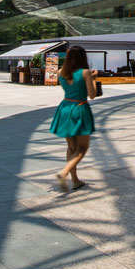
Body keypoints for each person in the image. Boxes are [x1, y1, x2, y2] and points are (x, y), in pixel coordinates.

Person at [49, 45, 97, 192]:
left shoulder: (60, 72)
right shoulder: (85, 73)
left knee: (71, 147)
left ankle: (75, 180)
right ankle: (64, 173)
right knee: (82, 147)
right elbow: (92, 94)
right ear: (83, 57)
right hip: (79, 109)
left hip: (65, 108)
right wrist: (94, 79)